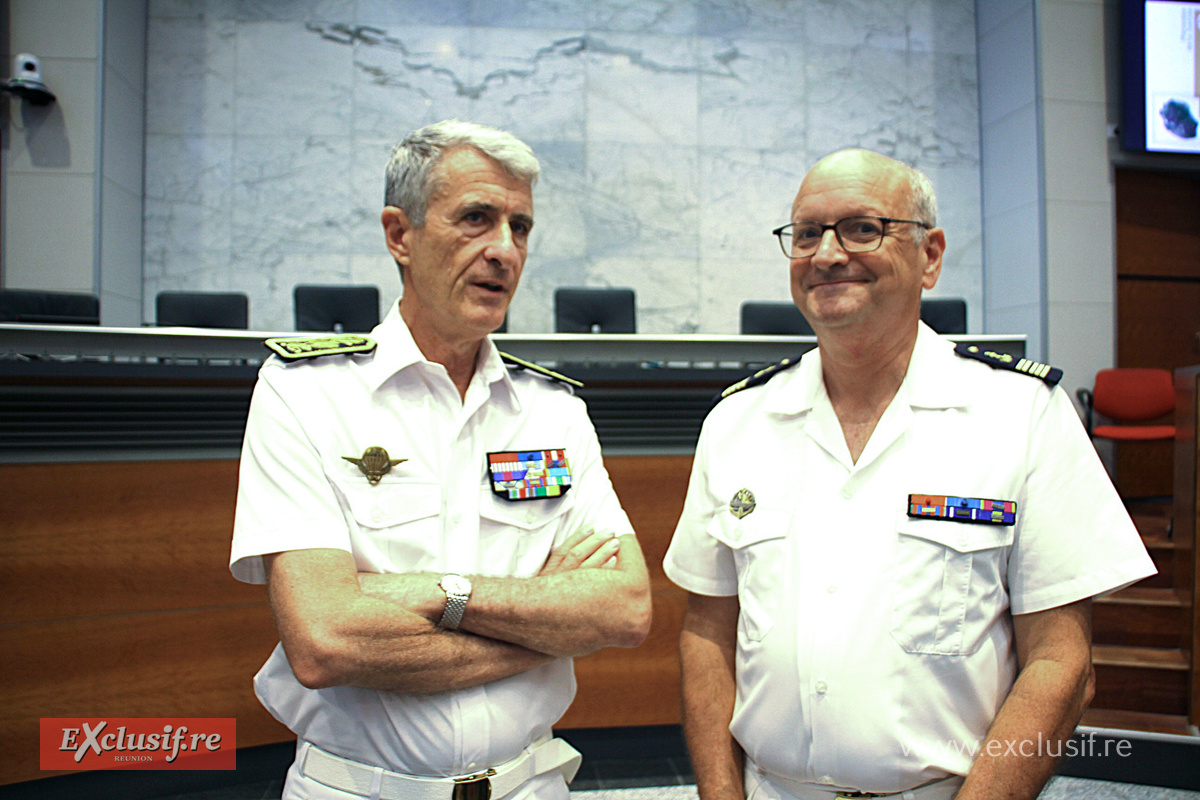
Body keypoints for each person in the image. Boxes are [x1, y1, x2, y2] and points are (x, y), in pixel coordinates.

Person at [664, 148, 1156, 800]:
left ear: (930, 256)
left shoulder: (1021, 414)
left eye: (862, 228)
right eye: (807, 233)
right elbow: (707, 635)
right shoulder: (736, 424)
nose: (828, 254)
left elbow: (1062, 663)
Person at [230, 120, 652, 800]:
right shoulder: (305, 392)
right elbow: (326, 642)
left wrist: (433, 593)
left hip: (527, 786)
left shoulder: (552, 410)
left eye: (520, 228)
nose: (504, 250)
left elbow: (625, 610)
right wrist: (548, 629)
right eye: (477, 219)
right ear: (400, 234)